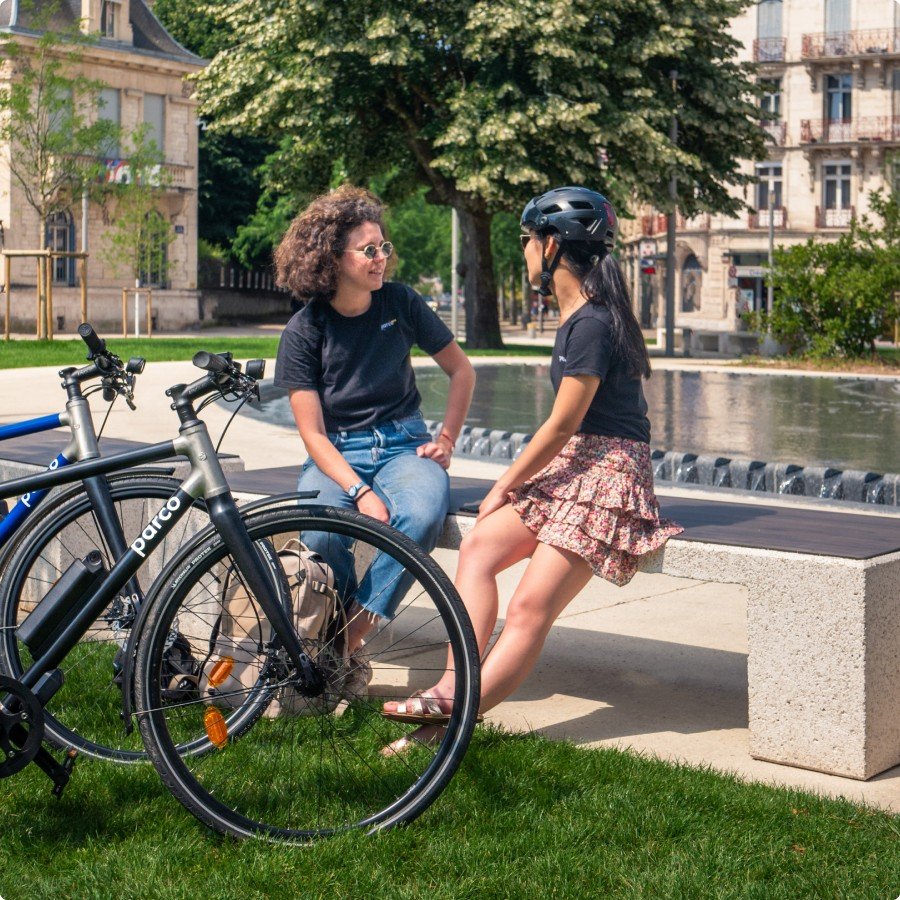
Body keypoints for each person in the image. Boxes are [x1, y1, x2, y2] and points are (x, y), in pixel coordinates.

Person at [382, 186, 683, 752]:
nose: (522, 253)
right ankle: (452, 688)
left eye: (526, 241)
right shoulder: (577, 316)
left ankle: (449, 720)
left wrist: (504, 483)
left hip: (609, 474)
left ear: (551, 247)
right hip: (575, 466)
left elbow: (562, 425)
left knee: (529, 606)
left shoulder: (592, 322)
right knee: (478, 550)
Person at [273, 184, 476, 677]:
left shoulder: (401, 303)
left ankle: (350, 636)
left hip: (406, 445)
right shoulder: (304, 331)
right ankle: (328, 636)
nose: (381, 258)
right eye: (369, 250)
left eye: (384, 247)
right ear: (332, 258)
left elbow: (462, 371)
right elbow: (313, 437)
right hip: (337, 452)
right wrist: (360, 491)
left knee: (421, 515)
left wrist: (445, 439)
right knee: (321, 530)